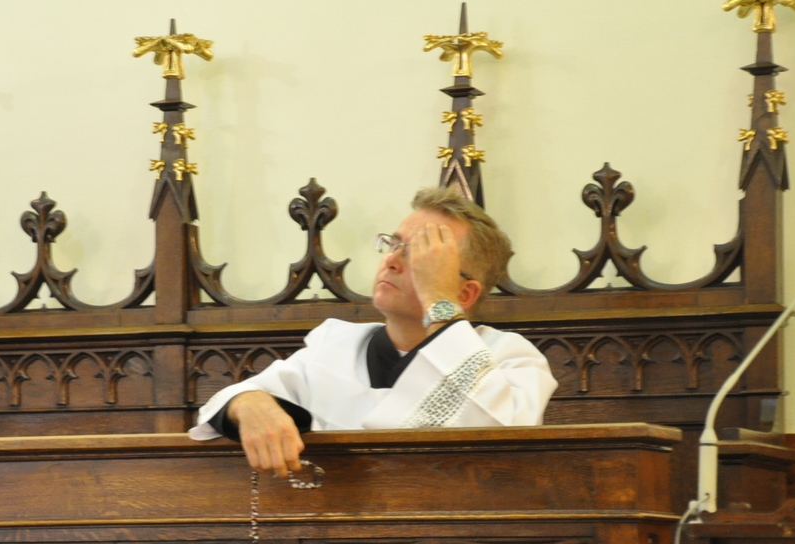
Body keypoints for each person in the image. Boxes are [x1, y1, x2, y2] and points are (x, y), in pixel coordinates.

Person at [188, 186, 558, 476]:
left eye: (420, 254)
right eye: (394, 244)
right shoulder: (334, 346)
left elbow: (499, 444)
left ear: (465, 293)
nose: (391, 260)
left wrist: (439, 303)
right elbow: (226, 404)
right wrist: (249, 404)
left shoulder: (511, 359)